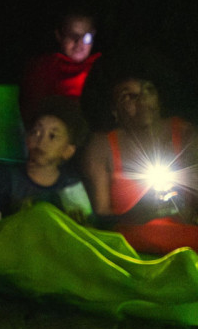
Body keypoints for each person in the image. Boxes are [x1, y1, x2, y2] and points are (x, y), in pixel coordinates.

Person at [81, 73, 198, 254]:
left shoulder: (186, 134)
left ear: (159, 98)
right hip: (130, 249)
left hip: (187, 245)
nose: (142, 100)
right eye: (128, 95)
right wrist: (136, 213)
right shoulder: (101, 147)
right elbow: (99, 218)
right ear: (114, 110)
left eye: (148, 90)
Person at [0, 96, 92, 220]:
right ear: (27, 139)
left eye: (52, 136)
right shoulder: (8, 179)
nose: (41, 141)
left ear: (68, 151)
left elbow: (85, 227)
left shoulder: (70, 185)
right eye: (36, 132)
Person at [19, 11, 99, 126]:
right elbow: (31, 111)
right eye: (73, 36)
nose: (79, 43)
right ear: (59, 36)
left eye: (86, 37)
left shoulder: (100, 68)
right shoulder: (44, 67)